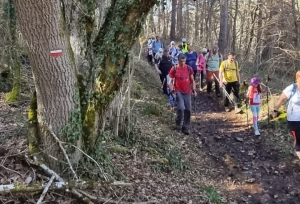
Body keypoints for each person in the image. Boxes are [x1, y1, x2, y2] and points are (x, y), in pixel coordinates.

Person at [273, 71, 300, 158]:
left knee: (298, 139)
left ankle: (296, 149)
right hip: (294, 120)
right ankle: (297, 150)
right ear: (297, 78)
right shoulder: (292, 88)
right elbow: (281, 99)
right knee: (299, 140)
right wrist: (275, 110)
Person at [169, 53, 196, 135]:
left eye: (184, 61)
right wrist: (172, 90)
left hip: (187, 91)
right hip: (178, 91)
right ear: (178, 61)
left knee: (188, 109)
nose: (183, 63)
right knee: (181, 108)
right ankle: (178, 123)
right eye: (181, 61)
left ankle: (185, 127)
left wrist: (194, 90)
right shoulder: (174, 69)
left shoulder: (189, 68)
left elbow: (192, 80)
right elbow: (170, 82)